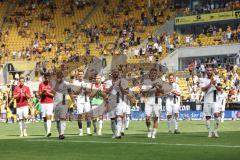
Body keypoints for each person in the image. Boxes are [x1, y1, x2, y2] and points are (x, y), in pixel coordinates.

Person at [200, 66, 221, 138]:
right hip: (207, 101)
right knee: (208, 117)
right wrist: (210, 83)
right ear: (206, 71)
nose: (209, 71)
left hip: (215, 101)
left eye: (210, 70)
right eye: (208, 70)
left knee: (217, 116)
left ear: (212, 71)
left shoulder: (217, 78)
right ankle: (209, 132)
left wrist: (214, 84)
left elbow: (220, 89)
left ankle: (215, 131)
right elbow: (203, 89)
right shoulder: (203, 80)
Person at [141, 68, 162, 139]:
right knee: (147, 117)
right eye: (152, 73)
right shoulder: (146, 81)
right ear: (149, 74)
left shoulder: (159, 81)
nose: (153, 74)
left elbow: (162, 91)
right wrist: (151, 87)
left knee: (156, 117)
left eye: (154, 73)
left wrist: (157, 87)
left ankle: (154, 132)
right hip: (148, 100)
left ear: (156, 74)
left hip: (156, 99)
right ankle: (149, 130)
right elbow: (143, 91)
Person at [52, 72, 73, 140]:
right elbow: (53, 92)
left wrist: (73, 101)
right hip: (56, 103)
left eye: (60, 77)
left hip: (64, 102)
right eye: (57, 77)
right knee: (57, 120)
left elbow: (70, 93)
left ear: (62, 77)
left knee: (63, 117)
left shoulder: (67, 84)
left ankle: (62, 133)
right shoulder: (54, 84)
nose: (58, 79)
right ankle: (60, 133)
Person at [73, 70, 92, 136]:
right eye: (79, 74)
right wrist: (81, 88)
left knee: (88, 115)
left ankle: (88, 131)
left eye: (82, 74)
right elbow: (75, 92)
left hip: (86, 100)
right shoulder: (75, 82)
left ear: (83, 75)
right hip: (79, 100)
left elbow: (90, 92)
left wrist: (86, 89)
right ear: (78, 76)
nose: (80, 75)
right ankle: (80, 131)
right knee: (79, 115)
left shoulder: (87, 82)